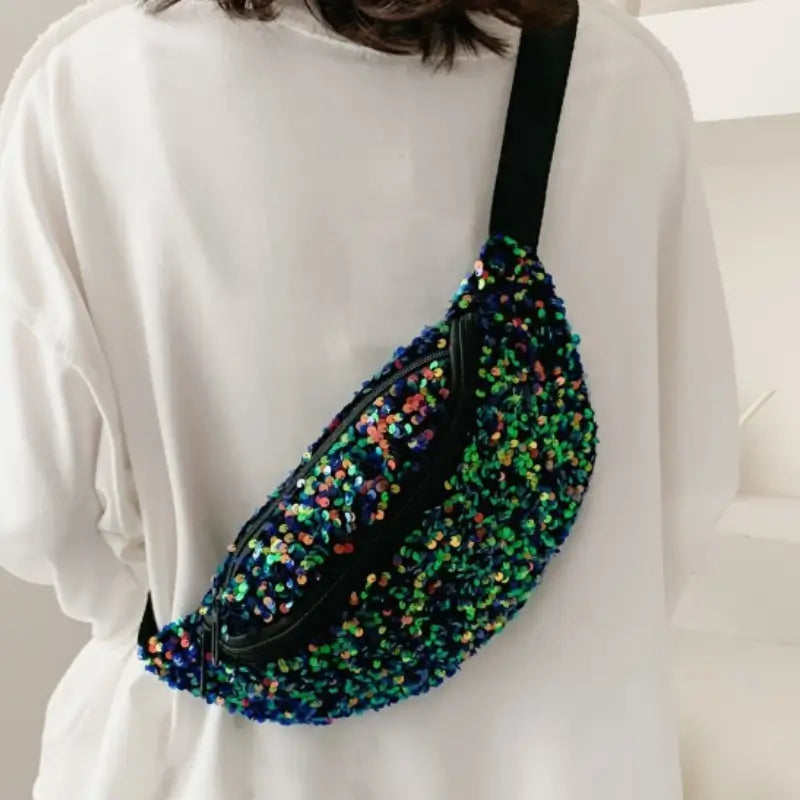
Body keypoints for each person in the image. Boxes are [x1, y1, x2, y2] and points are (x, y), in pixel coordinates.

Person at [0, 0, 738, 797]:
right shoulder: (627, 78)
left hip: (225, 762)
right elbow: (690, 484)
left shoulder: (88, 85)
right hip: (570, 759)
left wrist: (193, 637)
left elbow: (34, 516)